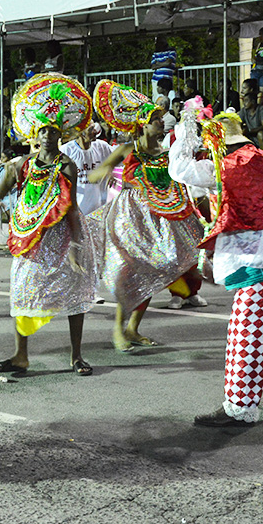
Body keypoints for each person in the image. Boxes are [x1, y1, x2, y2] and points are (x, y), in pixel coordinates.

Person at [169, 109, 263, 427]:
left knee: (247, 331)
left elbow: (179, 169)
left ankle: (240, 407)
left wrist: (184, 131)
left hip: (261, 262)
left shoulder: (228, 166)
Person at [0, 73, 97, 376]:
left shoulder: (66, 165)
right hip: (30, 239)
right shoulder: (23, 165)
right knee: (22, 290)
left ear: (60, 134)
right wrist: (7, 172)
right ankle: (20, 355)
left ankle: (76, 356)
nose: (48, 136)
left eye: (53, 130)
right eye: (43, 130)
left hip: (62, 236)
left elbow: (72, 207)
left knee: (73, 293)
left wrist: (76, 246)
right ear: (34, 134)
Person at [88, 81, 205, 352]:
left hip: (160, 222)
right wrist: (103, 174)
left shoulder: (166, 154)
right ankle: (119, 328)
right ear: (142, 125)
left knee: (155, 271)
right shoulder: (129, 150)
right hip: (131, 220)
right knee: (130, 273)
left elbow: (181, 177)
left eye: (161, 120)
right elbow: (98, 171)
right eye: (156, 121)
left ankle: (133, 328)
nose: (161, 124)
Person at [59, 122, 114, 216]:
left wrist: (111, 174)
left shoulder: (102, 147)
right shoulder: (66, 151)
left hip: (100, 210)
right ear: (80, 132)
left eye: (95, 128)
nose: (95, 131)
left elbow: (117, 162)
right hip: (76, 211)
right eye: (91, 129)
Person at [151, 37, 178, 101]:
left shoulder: (172, 51)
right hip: (156, 80)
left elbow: (169, 62)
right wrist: (165, 63)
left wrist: (158, 64)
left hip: (167, 80)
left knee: (168, 98)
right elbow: (153, 66)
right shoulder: (155, 53)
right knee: (156, 99)